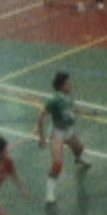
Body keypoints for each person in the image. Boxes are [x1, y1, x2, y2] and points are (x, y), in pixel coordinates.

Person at [37, 72, 92, 205]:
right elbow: (41, 116)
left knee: (79, 148)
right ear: (62, 85)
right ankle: (50, 193)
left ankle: (79, 158)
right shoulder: (54, 100)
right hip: (57, 133)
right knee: (58, 163)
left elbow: (74, 109)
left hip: (69, 132)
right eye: (68, 83)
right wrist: (42, 137)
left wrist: (89, 112)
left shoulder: (68, 98)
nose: (71, 85)